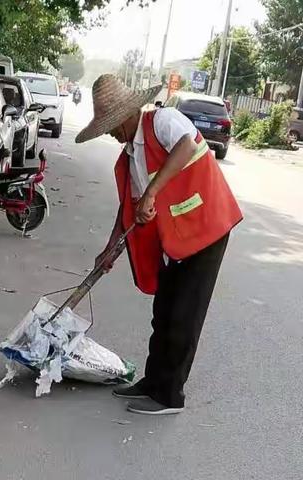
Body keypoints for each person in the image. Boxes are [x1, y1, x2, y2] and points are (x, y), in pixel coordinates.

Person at [75, 75, 242, 415]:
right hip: (175, 237)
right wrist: (110, 249)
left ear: (125, 115)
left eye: (109, 125)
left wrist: (152, 191)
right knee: (163, 312)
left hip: (206, 227)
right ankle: (152, 383)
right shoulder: (127, 157)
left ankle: (170, 396)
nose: (108, 132)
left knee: (184, 314)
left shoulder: (163, 121)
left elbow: (189, 146)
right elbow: (128, 209)